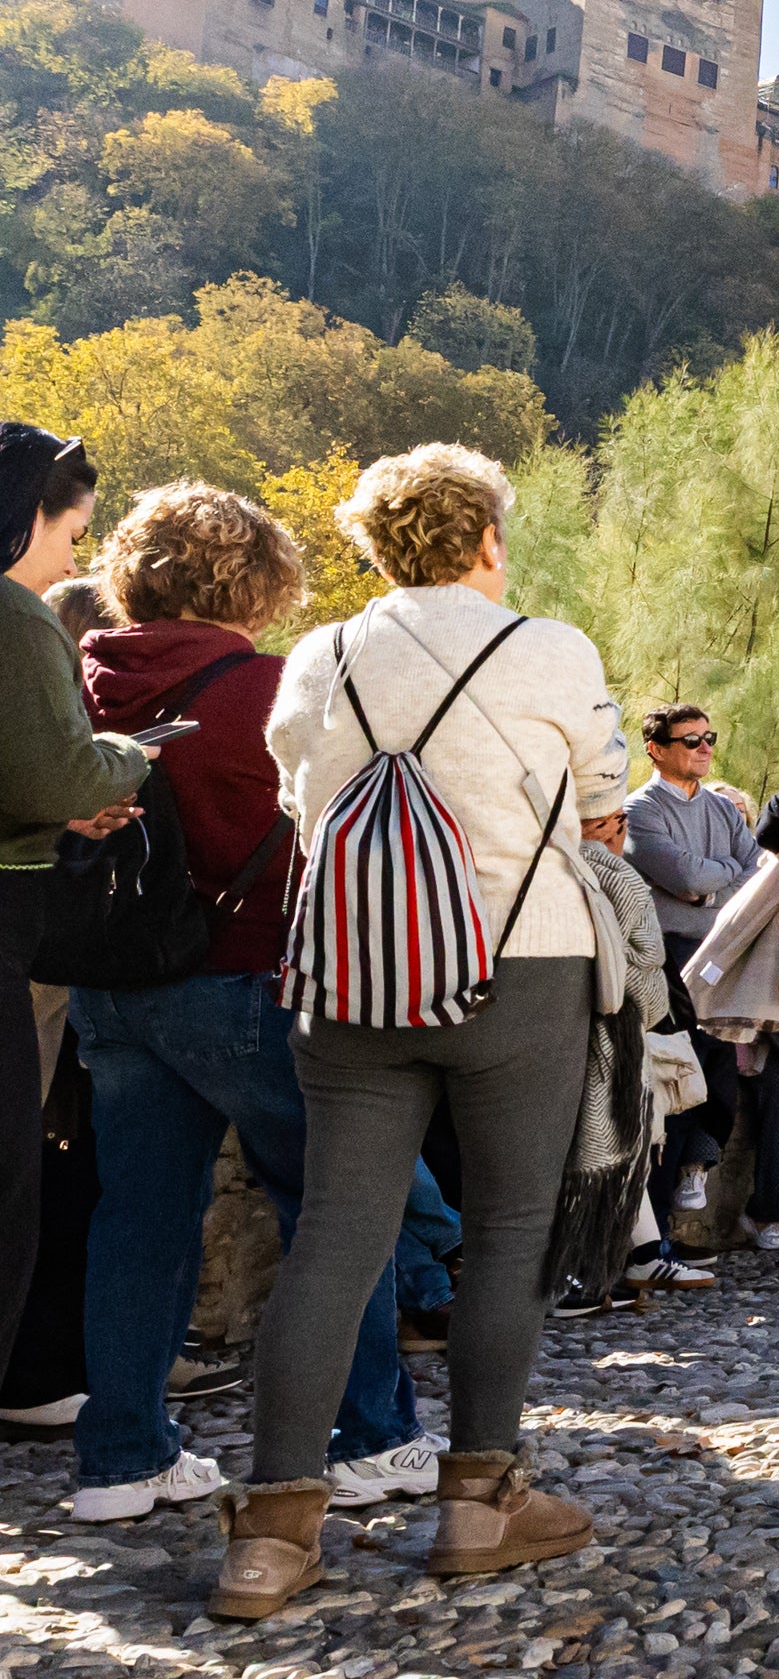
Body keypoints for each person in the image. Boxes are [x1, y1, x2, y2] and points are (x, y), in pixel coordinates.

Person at [217, 443, 630, 1617]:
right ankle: (479, 1502)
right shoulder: (549, 646)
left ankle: (273, 1534)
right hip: (521, 959)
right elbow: (604, 790)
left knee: (337, 1233)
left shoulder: (321, 651)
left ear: (374, 544)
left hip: (353, 970)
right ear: (489, 536)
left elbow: (300, 798)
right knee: (507, 1229)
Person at [62, 485, 439, 1524]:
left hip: (113, 981)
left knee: (137, 1220)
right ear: (259, 578)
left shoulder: (80, 677)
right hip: (249, 973)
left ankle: (124, 1459)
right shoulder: (277, 687)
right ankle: (374, 1436)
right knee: (335, 1210)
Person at [0, 428, 148, 1395]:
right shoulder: (14, 614)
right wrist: (129, 759)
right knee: (8, 1188)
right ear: (28, 515)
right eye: (72, 532)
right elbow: (57, 764)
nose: (73, 559)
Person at [624, 705, 762, 1237]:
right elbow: (682, 874)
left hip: (722, 960)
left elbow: (759, 873)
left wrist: (712, 885)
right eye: (690, 741)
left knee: (719, 1087)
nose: (704, 748)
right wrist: (720, 882)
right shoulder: (641, 810)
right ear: (657, 749)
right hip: (670, 961)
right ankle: (652, 1239)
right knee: (674, 1089)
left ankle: (687, 1194)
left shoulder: (723, 810)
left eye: (709, 738)